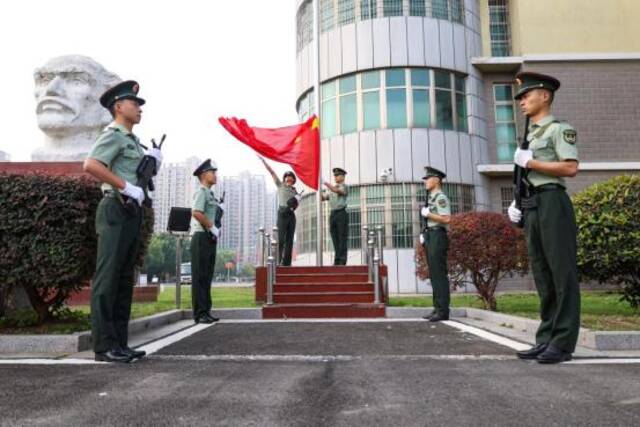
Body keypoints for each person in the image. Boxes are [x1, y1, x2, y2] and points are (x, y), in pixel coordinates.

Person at [83, 80, 162, 363]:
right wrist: (125, 186)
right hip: (115, 208)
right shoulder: (114, 135)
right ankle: (104, 347)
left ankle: (120, 343)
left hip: (131, 212)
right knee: (108, 277)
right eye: (134, 103)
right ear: (119, 107)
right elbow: (91, 164)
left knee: (125, 278)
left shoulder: (132, 142)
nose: (139, 109)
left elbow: (140, 177)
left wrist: (153, 162)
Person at [508, 72, 580, 364]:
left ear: (545, 96)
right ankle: (546, 337)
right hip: (534, 204)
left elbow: (570, 168)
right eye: (521, 97)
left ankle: (563, 342)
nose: (522, 101)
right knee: (542, 273)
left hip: (552, 202)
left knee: (561, 272)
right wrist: (517, 203)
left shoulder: (559, 129)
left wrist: (532, 162)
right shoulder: (531, 135)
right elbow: (525, 176)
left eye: (527, 95)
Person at [190, 159, 223, 324]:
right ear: (203, 175)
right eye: (213, 172)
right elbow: (196, 212)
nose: (215, 175)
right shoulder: (201, 192)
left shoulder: (210, 194)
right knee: (200, 276)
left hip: (209, 238)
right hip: (201, 237)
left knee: (207, 276)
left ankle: (206, 310)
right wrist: (212, 227)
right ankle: (200, 313)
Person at [419, 166, 451, 322]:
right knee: (433, 274)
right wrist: (424, 232)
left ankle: (443, 310)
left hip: (438, 235)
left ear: (436, 180)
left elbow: (446, 219)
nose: (425, 181)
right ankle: (437, 307)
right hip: (431, 235)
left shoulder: (440, 197)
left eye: (428, 178)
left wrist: (428, 214)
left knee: (439, 274)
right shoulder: (431, 197)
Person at [259, 157, 300, 266]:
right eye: (287, 178)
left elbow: (296, 206)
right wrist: (264, 162)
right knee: (280, 239)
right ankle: (277, 262)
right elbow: (272, 172)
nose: (289, 180)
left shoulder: (295, 191)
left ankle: (286, 263)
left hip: (291, 215)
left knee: (290, 240)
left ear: (293, 180)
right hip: (282, 213)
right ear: (284, 179)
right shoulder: (280, 185)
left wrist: (296, 201)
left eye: (291, 178)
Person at [322, 167, 349, 265]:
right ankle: (337, 259)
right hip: (333, 214)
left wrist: (325, 183)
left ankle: (342, 260)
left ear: (342, 176)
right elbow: (324, 198)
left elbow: (338, 191)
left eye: (337, 175)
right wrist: (318, 189)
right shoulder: (333, 188)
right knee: (335, 238)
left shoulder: (344, 186)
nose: (336, 177)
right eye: (335, 175)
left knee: (342, 237)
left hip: (341, 213)